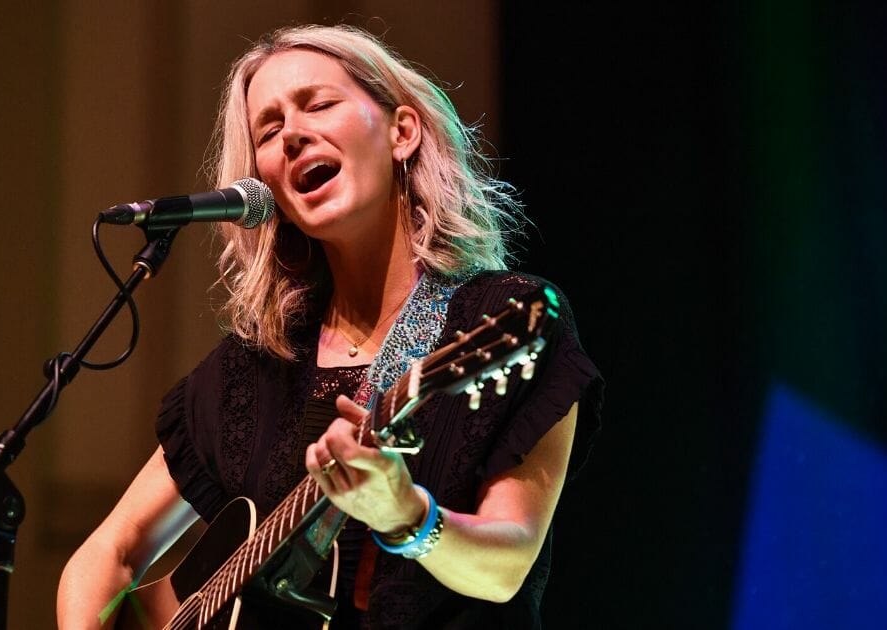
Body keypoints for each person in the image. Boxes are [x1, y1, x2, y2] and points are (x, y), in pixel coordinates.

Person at [57, 23, 603, 629]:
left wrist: (406, 515)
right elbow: (106, 557)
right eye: (269, 128)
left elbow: (505, 571)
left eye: (318, 104)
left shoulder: (501, 320)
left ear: (402, 132)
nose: (291, 134)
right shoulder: (253, 368)